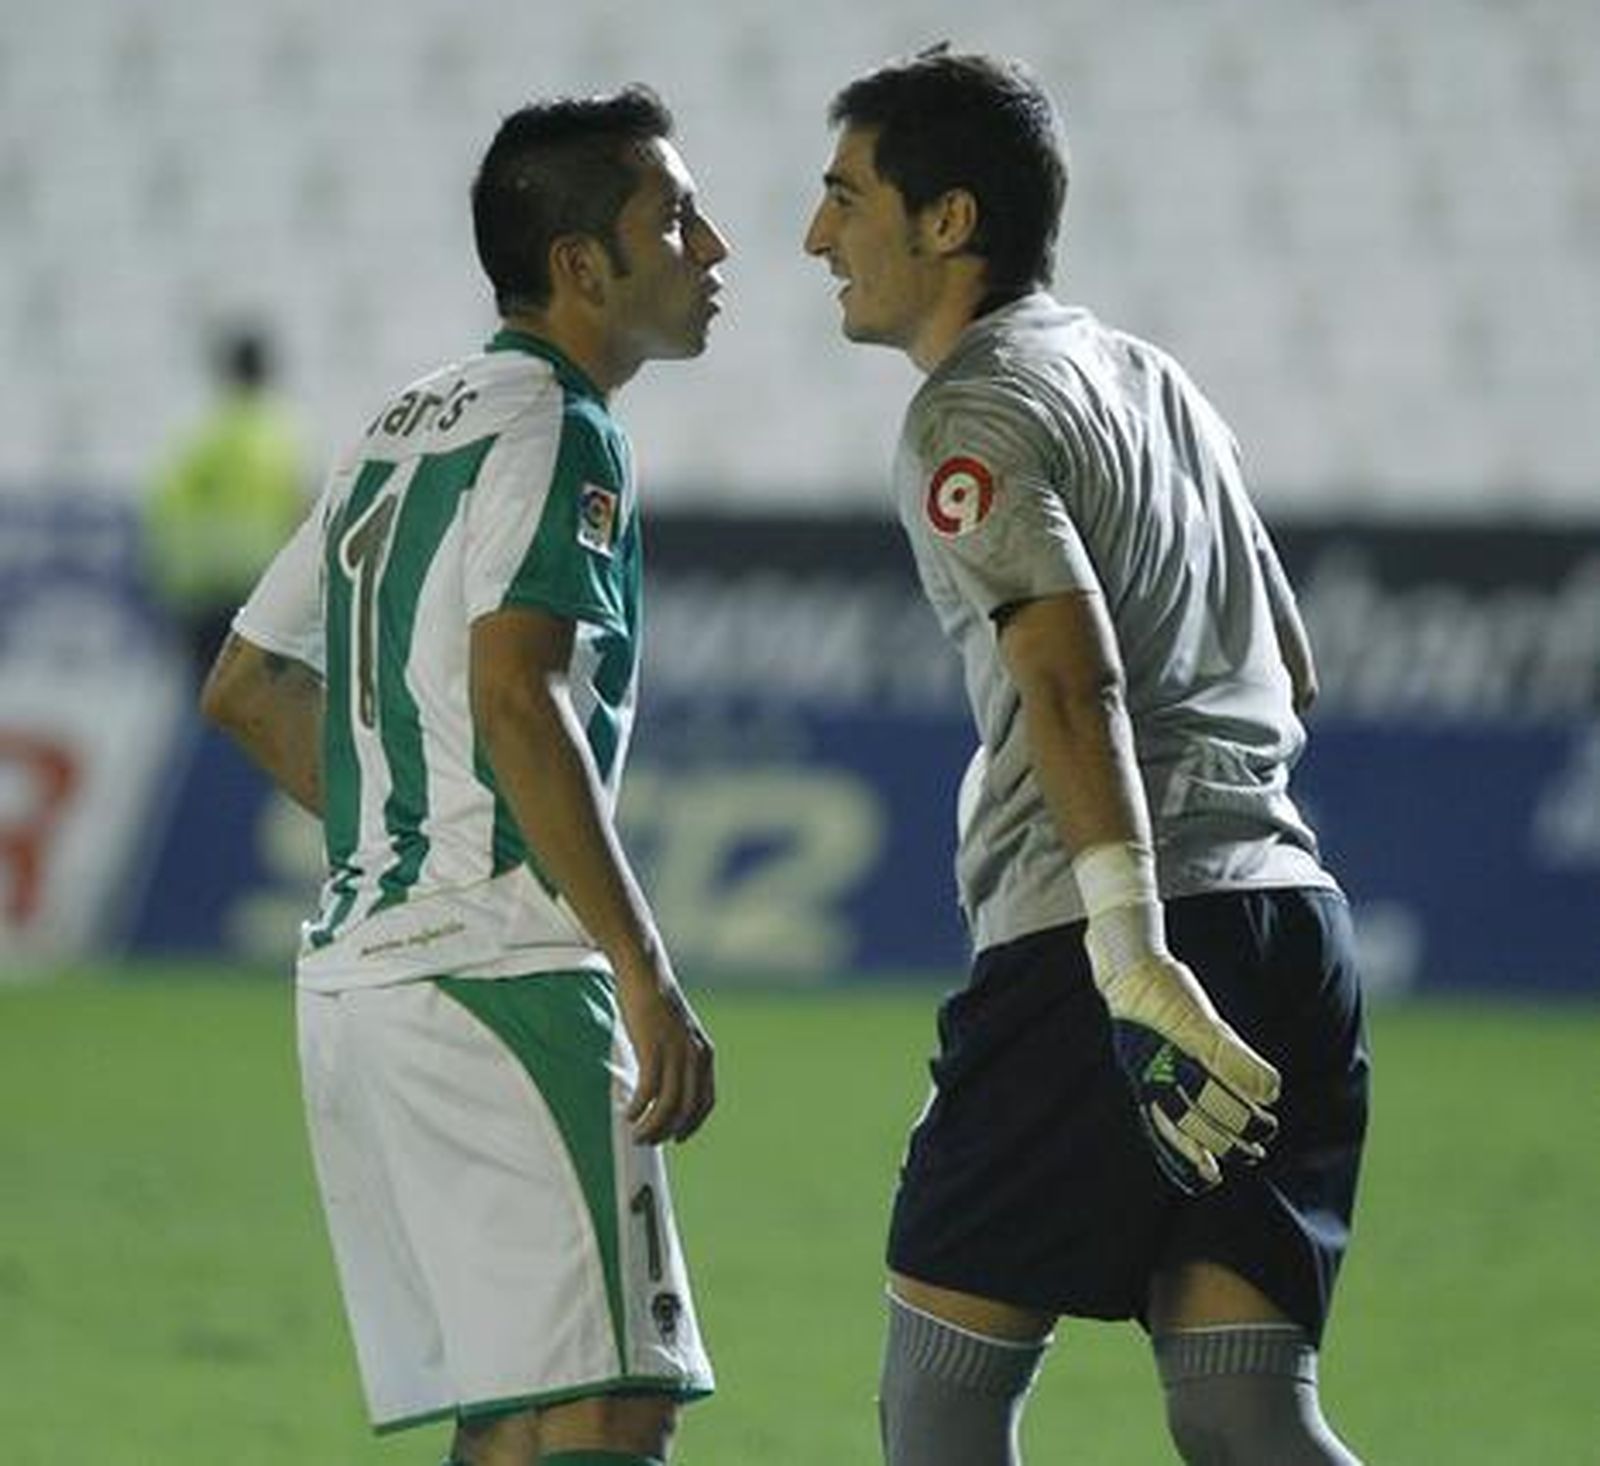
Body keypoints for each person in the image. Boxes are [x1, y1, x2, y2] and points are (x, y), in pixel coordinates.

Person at [804, 49, 1368, 1465]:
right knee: (1247, 1415)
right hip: (1289, 922)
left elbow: (1070, 676)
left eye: (846, 194)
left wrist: (1128, 953)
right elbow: (1287, 666)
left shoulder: (972, 409)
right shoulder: (1158, 382)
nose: (819, 237)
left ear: (948, 222)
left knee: (941, 1408)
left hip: (1103, 955)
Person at [201, 86, 727, 1466]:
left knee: (523, 1406)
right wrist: (642, 965)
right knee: (615, 1397)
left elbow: (247, 685)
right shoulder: (564, 425)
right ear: (581, 266)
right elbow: (516, 689)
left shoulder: (399, 423)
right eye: (674, 218)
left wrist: (412, 826)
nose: (714, 245)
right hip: (499, 974)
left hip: (362, 982)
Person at [143, 324, 308, 682]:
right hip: (259, 586)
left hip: (203, 586)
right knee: (252, 694)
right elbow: (299, 510)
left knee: (204, 690)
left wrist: (175, 570)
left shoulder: (208, 432)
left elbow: (165, 503)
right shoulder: (283, 434)